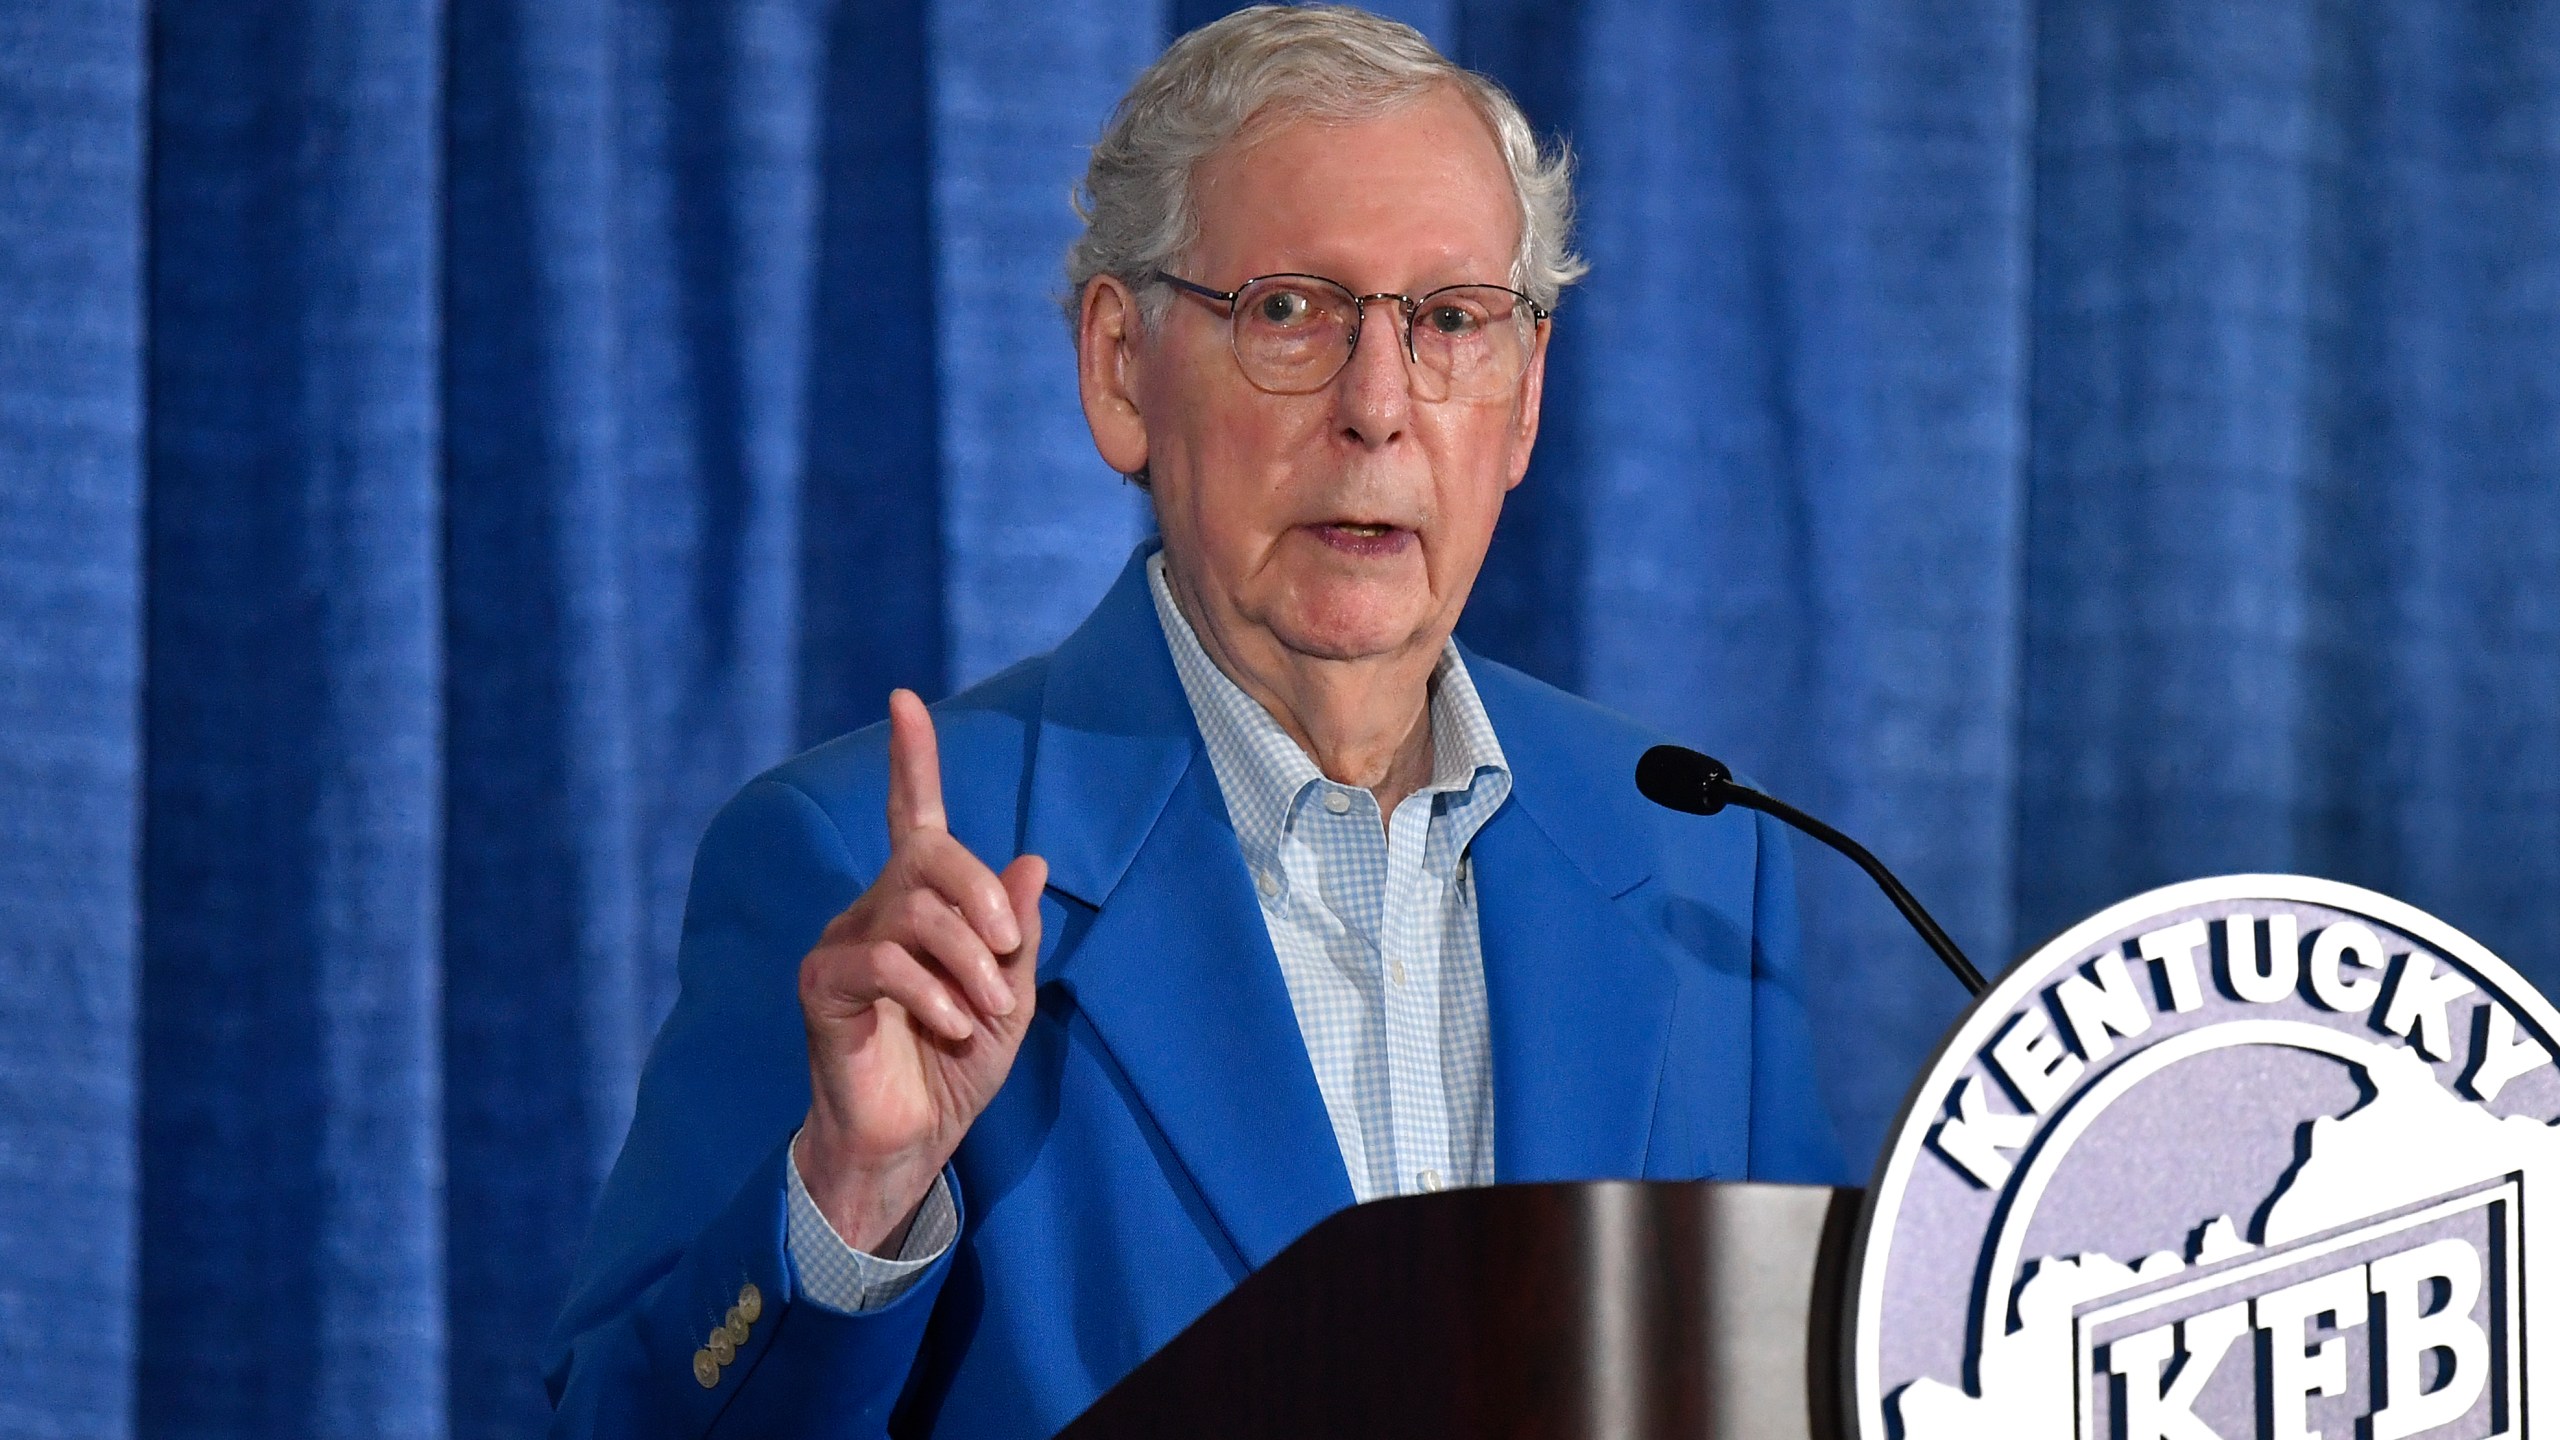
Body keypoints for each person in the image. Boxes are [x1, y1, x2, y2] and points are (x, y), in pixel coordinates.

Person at [544, 6, 1841, 1435]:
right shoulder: (857, 871)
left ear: (1524, 400)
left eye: (1452, 323)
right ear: (1120, 371)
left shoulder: (1700, 854)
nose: (1379, 407)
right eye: (1291, 310)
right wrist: (849, 1199)